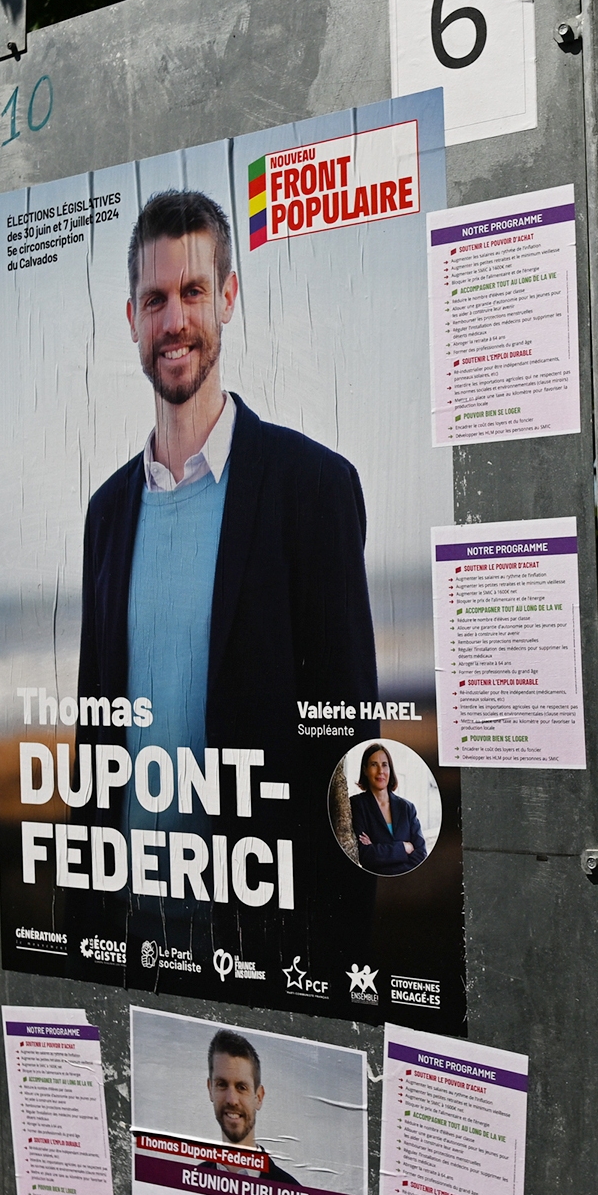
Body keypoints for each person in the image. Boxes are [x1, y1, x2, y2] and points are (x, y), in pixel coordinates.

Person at [75, 190, 378, 954]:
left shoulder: (312, 488)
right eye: (155, 299)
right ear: (131, 319)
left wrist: (336, 956)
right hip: (133, 936)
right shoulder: (108, 513)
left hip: (265, 942)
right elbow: (94, 738)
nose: (174, 319)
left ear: (229, 297)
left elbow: (347, 744)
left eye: (193, 292)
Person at [205, 1029, 299, 1185]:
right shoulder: (187, 1187)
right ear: (210, 1090)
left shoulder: (292, 1193)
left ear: (259, 1097)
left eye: (241, 1087)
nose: (232, 1100)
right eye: (222, 1085)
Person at [346, 741, 427, 875]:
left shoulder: (407, 808)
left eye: (385, 765)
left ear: (390, 769)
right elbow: (365, 855)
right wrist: (403, 848)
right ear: (365, 770)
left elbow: (421, 853)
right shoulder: (357, 805)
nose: (380, 771)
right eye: (374, 765)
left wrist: (377, 849)